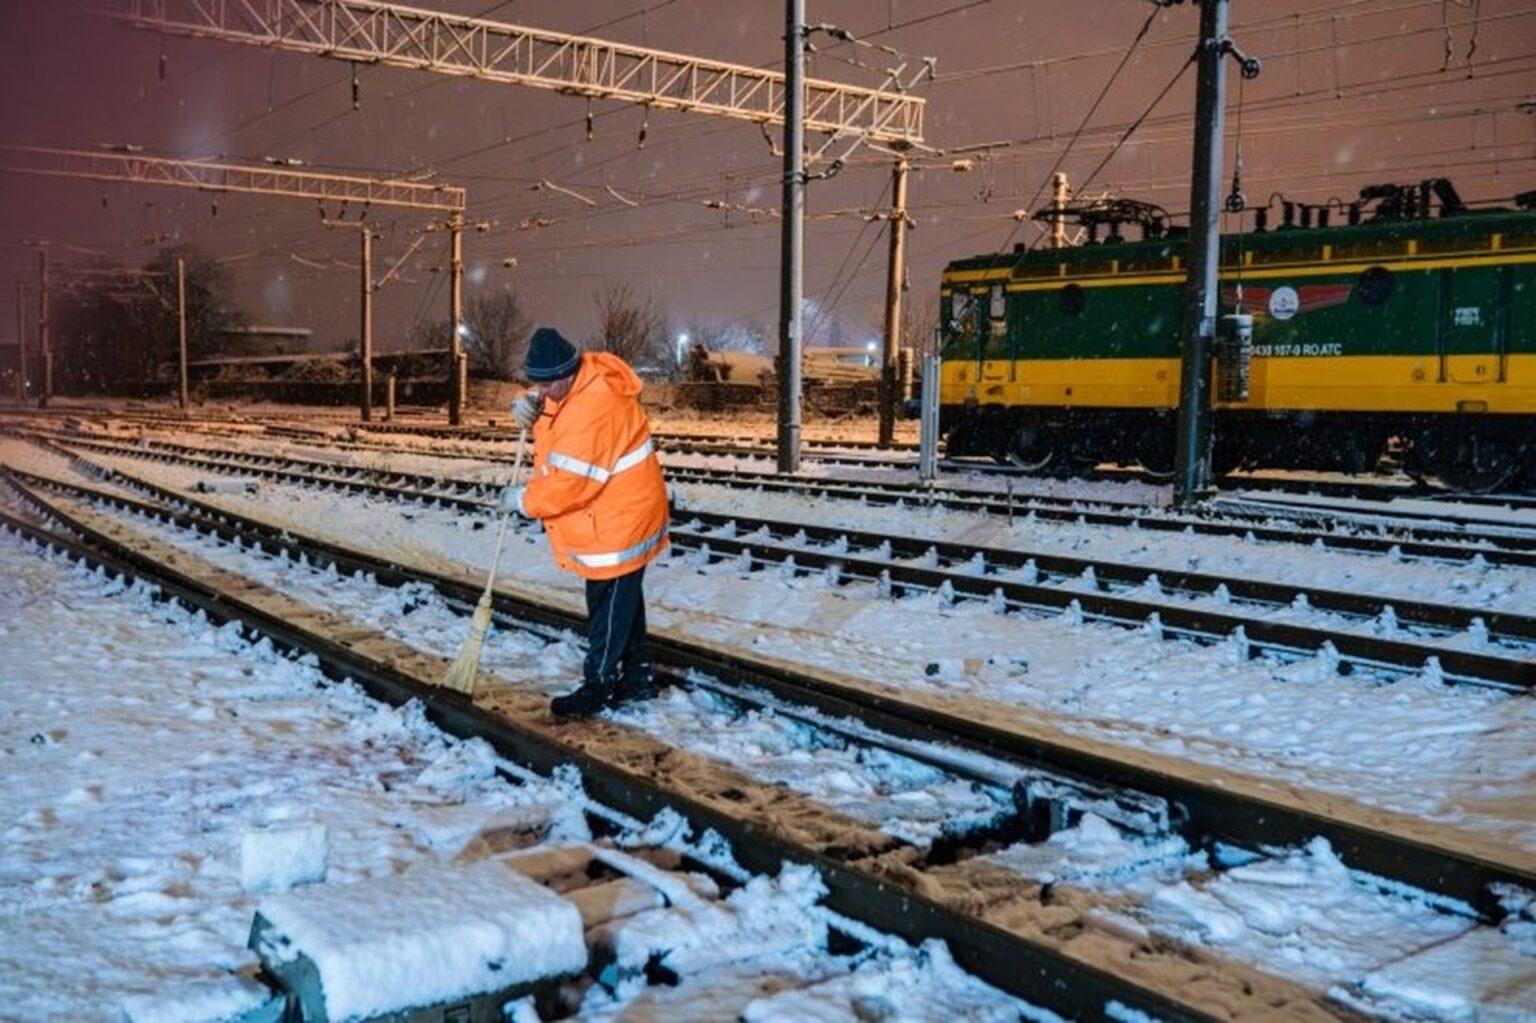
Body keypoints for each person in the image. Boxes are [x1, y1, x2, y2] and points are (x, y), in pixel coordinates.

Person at [501, 326, 670, 717]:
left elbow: (570, 484)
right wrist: (525, 404)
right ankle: (638, 679)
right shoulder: (578, 380)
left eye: (545, 385)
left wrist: (523, 501)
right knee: (624, 602)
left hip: (619, 520)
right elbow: (553, 411)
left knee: (607, 608)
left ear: (566, 374)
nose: (541, 392)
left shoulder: (595, 407)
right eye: (535, 384)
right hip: (617, 511)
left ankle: (599, 687)